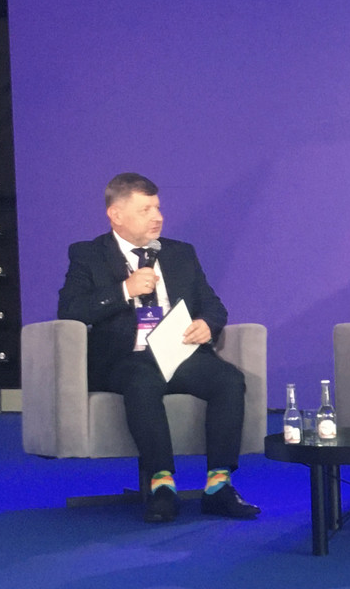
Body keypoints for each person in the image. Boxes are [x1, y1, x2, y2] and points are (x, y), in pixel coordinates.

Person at [57, 172, 260, 524]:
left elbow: (214, 306)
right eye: (145, 210)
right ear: (116, 215)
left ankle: (219, 485)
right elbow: (71, 310)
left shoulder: (180, 253)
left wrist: (207, 324)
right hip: (126, 358)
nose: (157, 217)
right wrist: (125, 290)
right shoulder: (88, 255)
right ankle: (162, 485)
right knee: (142, 381)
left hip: (179, 353)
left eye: (158, 208)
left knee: (228, 380)